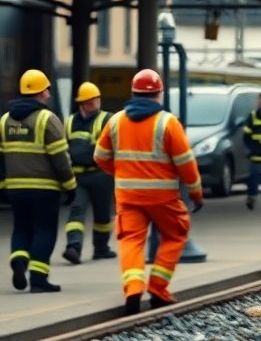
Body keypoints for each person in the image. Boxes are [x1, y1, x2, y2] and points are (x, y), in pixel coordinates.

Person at [93, 69, 204, 314]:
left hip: (128, 196)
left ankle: (133, 289)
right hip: (162, 197)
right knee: (175, 234)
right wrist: (196, 193)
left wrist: (121, 172)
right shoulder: (167, 122)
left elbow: (99, 157)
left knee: (131, 240)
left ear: (133, 93)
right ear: (159, 94)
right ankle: (157, 287)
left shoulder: (116, 121)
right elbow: (186, 163)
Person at [1, 69, 76, 293]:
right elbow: (60, 159)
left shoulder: (4, 120)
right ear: (42, 91)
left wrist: (3, 186)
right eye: (47, 90)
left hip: (16, 188)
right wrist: (70, 186)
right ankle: (39, 279)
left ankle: (19, 259)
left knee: (22, 228)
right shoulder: (47, 120)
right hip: (44, 188)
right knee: (44, 230)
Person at [61, 82, 116, 264]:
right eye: (91, 101)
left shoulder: (107, 119)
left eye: (96, 100)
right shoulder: (69, 122)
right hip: (79, 176)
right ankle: (73, 247)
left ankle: (101, 248)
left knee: (102, 216)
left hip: (101, 175)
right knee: (76, 211)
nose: (95, 103)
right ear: (82, 103)